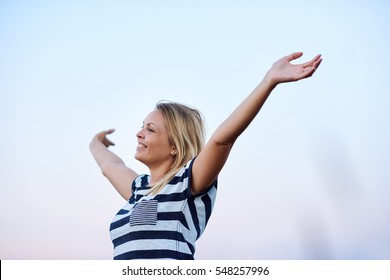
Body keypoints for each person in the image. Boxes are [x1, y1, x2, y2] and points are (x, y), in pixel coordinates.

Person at [90, 52, 322, 260]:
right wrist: (95, 142)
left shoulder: (188, 183)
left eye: (150, 130)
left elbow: (222, 139)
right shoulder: (138, 189)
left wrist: (268, 81)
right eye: (142, 127)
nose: (139, 134)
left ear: (174, 146)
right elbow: (109, 165)